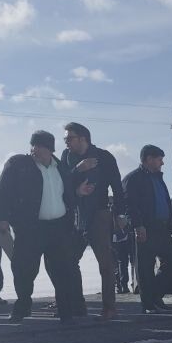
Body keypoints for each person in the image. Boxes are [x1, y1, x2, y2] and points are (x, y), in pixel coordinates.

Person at [0, 131, 90, 324]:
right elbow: (1, 191)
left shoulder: (61, 167)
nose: (35, 150)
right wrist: (2, 217)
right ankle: (22, 307)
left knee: (62, 270)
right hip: (30, 227)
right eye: (33, 145)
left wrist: (78, 192)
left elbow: (67, 191)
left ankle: (66, 310)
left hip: (59, 227)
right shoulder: (18, 164)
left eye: (40, 146)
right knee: (24, 269)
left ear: (50, 149)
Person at [61, 122, 124, 320]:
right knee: (69, 260)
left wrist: (120, 214)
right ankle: (78, 305)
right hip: (75, 214)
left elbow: (117, 187)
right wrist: (78, 170)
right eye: (65, 139)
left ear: (83, 138)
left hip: (99, 214)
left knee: (105, 263)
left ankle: (109, 307)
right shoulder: (67, 157)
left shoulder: (104, 157)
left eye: (69, 138)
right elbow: (61, 184)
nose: (66, 143)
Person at [122, 145, 172, 314]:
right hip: (145, 228)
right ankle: (149, 303)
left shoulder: (158, 178)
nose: (162, 163)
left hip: (162, 228)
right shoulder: (133, 178)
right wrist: (138, 225)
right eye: (159, 159)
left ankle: (156, 295)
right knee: (145, 266)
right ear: (149, 159)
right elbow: (129, 205)